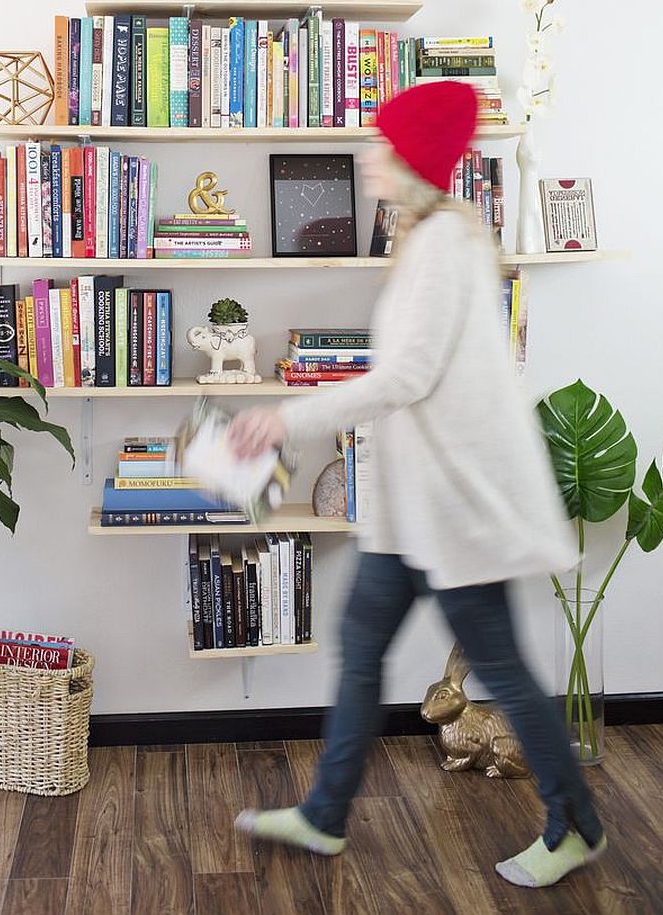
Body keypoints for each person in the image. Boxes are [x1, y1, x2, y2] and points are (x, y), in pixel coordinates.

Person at [229, 81, 606, 890]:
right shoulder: (432, 237)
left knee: (503, 673)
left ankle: (575, 824)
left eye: (381, 144)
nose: (368, 157)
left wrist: (282, 419)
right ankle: (326, 816)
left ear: (413, 159)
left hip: (455, 517)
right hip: (407, 520)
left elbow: (403, 378)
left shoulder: (442, 248)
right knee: (361, 650)